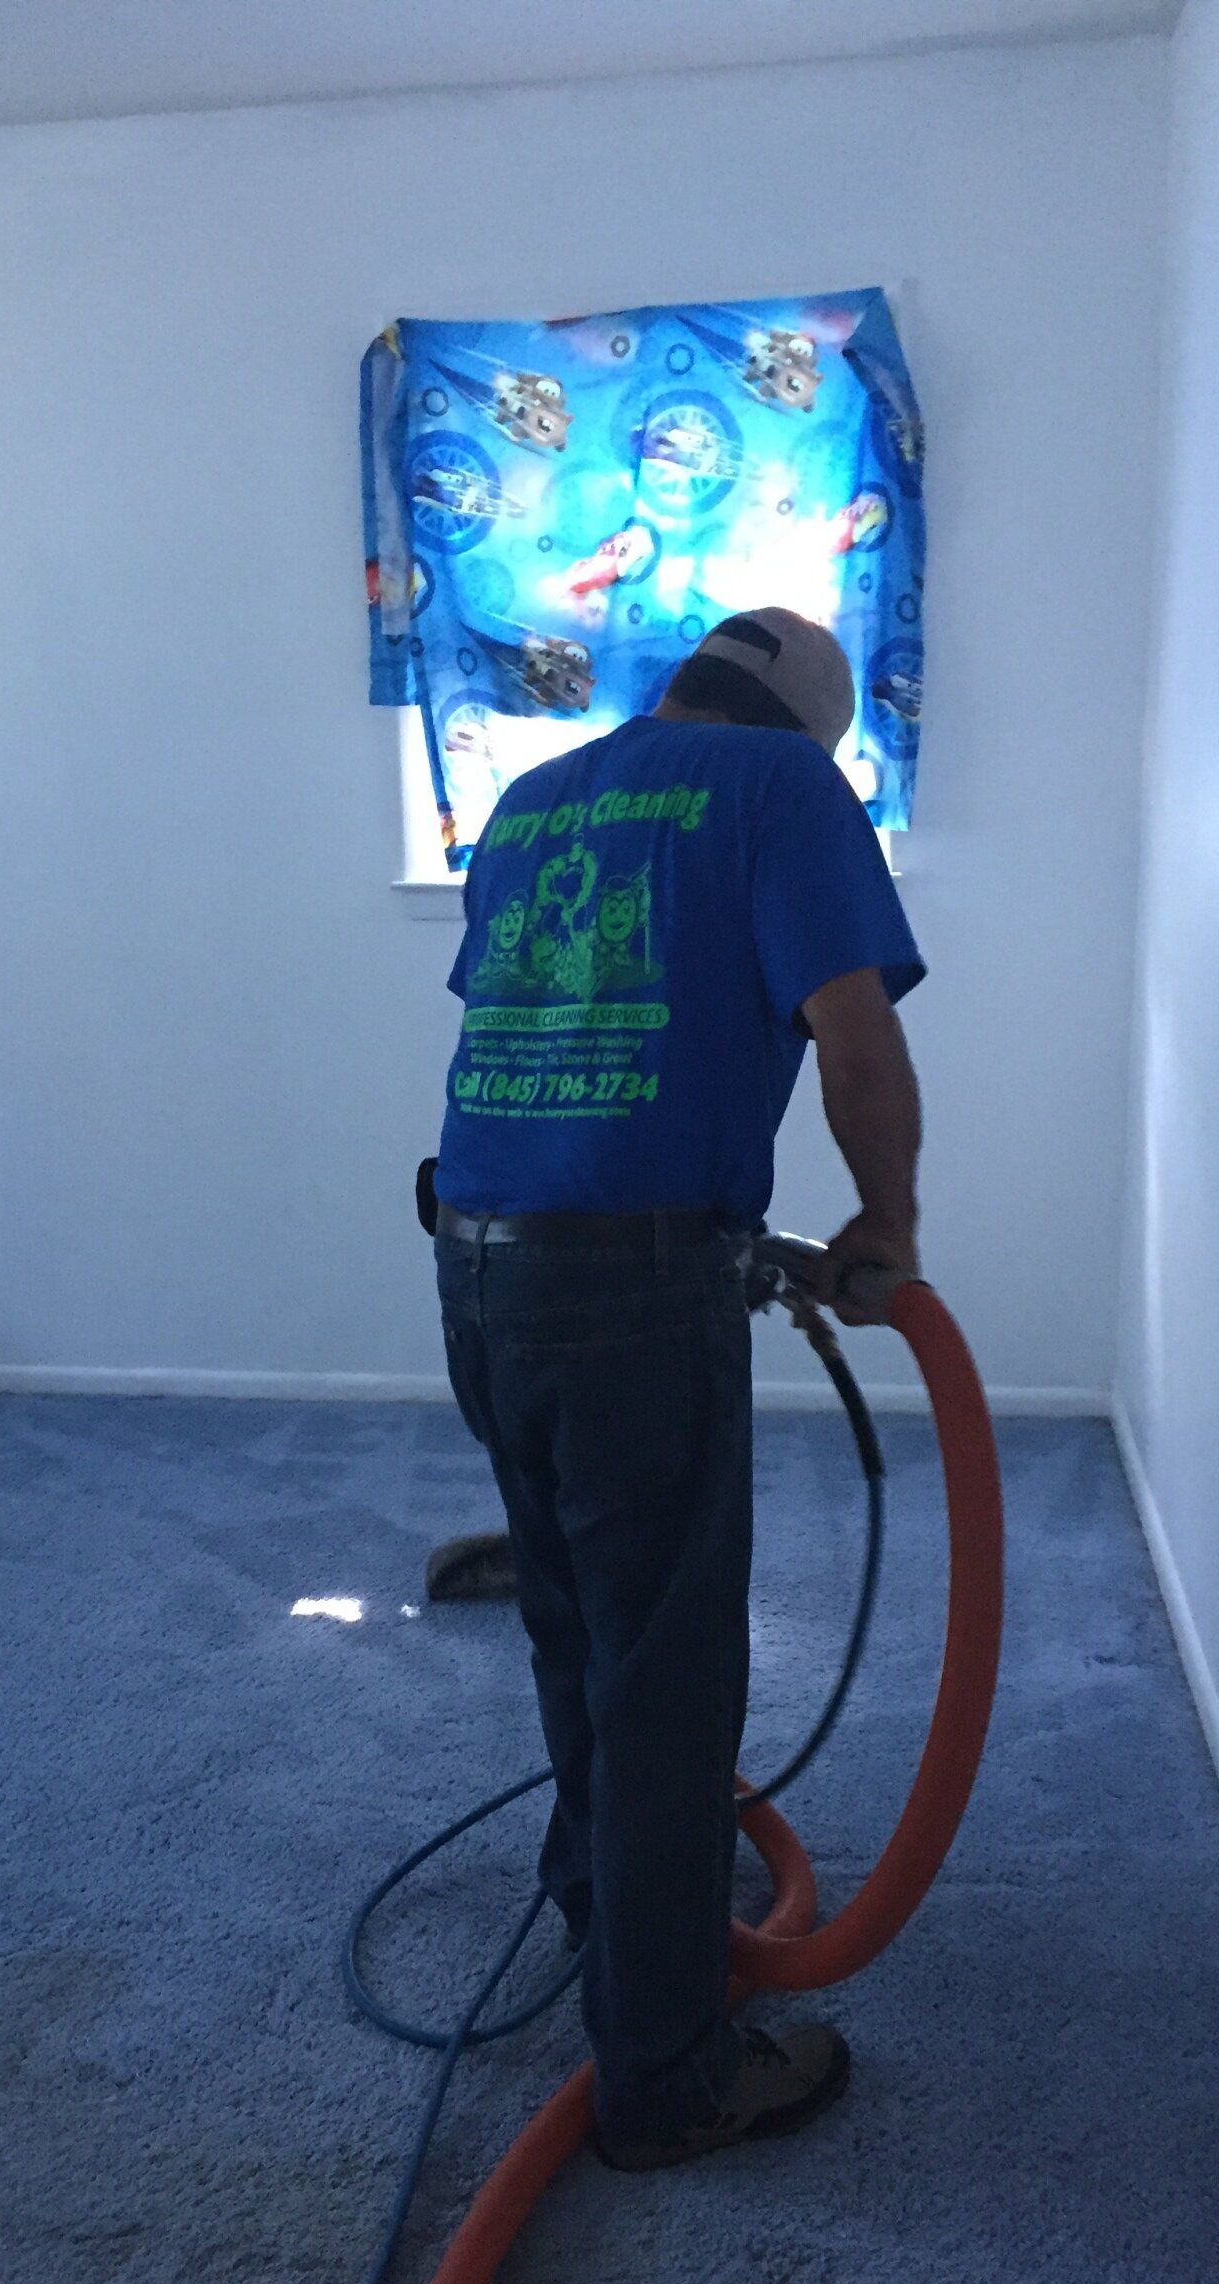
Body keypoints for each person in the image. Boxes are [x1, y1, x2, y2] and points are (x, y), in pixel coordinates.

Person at [430, 608, 925, 2171]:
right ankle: (667, 2073)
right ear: (808, 733)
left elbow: (540, 1027)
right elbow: (854, 1043)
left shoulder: (537, 794)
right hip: (636, 1290)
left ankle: (608, 1908)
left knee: (577, 1615)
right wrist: (888, 1227)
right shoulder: (786, 796)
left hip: (478, 1261)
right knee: (666, 1669)